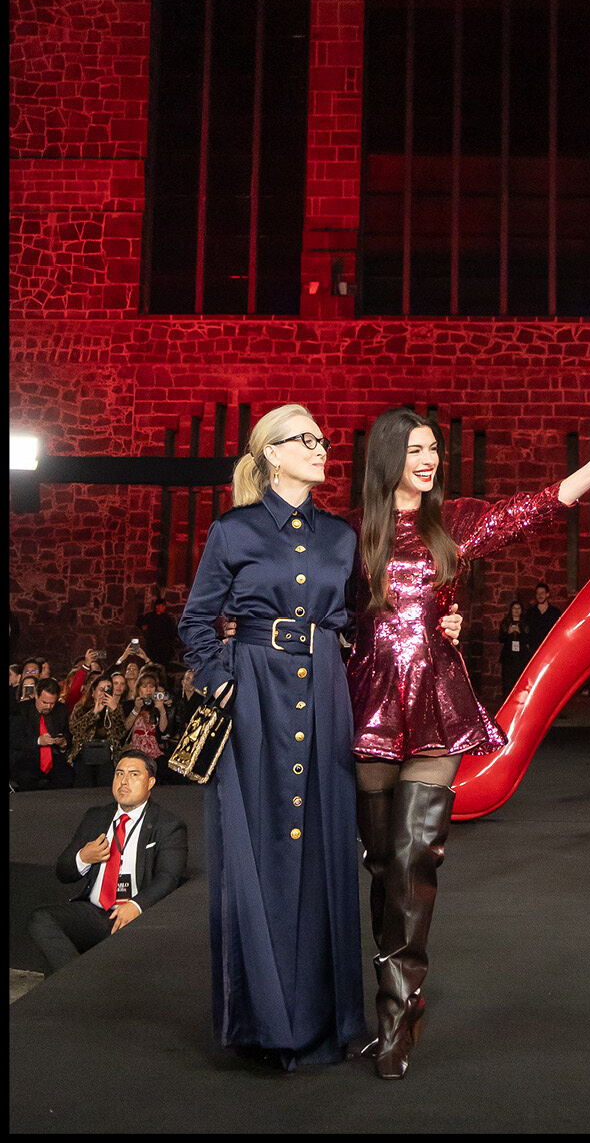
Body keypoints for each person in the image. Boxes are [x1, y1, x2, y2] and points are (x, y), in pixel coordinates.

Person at [347, 390, 590, 1079]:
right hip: (368, 702)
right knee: (382, 865)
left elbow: (534, 508)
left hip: (435, 697)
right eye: (414, 450)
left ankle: (397, 1012)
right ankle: (394, 991)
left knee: (417, 858)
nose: (429, 459)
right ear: (387, 458)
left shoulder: (457, 520)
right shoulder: (351, 533)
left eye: (433, 449)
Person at [179, 403, 423, 1070]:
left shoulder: (341, 538)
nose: (321, 448)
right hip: (253, 692)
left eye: (321, 439)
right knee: (255, 850)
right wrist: (222, 678)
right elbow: (196, 619)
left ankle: (322, 1020)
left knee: (321, 846)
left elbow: (363, 622)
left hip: (324, 692)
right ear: (272, 456)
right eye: (306, 440)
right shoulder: (231, 531)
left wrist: (437, 627)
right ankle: (262, 1020)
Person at [28, 750, 187, 973]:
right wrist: (83, 857)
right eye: (119, 774)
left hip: (136, 915)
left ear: (150, 782)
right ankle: (78, 980)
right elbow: (63, 872)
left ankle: (75, 983)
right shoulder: (96, 817)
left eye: (133, 775)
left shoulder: (167, 824)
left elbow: (168, 877)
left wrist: (136, 906)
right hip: (96, 912)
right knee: (41, 919)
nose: (124, 781)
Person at [10, 678, 74, 790]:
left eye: (52, 703)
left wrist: (63, 743)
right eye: (44, 702)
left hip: (54, 757)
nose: (48, 707)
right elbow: (15, 740)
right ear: (36, 695)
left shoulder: (60, 710)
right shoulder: (21, 709)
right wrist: (39, 741)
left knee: (67, 776)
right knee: (27, 777)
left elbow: (67, 735)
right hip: (27, 758)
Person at [68, 672, 127, 787]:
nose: (104, 693)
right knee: (84, 777)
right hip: (84, 751)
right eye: (101, 689)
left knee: (106, 777)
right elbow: (74, 730)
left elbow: (121, 734)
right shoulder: (80, 707)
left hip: (108, 753)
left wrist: (114, 711)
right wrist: (94, 713)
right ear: (93, 692)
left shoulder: (116, 708)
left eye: (108, 690)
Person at [137, 595, 182, 669]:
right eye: (159, 605)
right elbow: (140, 621)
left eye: (162, 606)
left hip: (164, 646)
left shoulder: (167, 618)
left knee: (163, 665)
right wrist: (143, 626)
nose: (161, 607)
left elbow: (172, 630)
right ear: (156, 606)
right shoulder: (150, 616)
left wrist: (176, 637)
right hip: (152, 644)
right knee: (151, 664)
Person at [498, 599, 531, 699]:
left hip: (521, 657)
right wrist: (508, 632)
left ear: (521, 610)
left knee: (520, 679)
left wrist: (520, 632)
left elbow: (528, 639)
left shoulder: (525, 623)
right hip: (508, 657)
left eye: (518, 608)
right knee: (507, 680)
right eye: (514, 608)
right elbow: (501, 639)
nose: (516, 610)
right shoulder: (505, 623)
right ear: (511, 610)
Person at [525, 582, 561, 656]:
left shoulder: (555, 612)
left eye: (542, 593)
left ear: (547, 594)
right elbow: (526, 630)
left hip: (550, 650)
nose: (540, 595)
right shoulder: (530, 612)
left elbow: (559, 631)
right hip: (533, 651)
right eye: (538, 593)